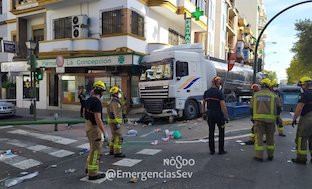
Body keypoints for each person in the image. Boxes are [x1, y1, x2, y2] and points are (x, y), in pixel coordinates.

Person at [251, 78, 280, 162]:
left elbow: (251, 108)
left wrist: (252, 117)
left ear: (261, 85)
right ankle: (270, 155)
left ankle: (259, 156)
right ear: (269, 85)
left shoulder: (256, 95)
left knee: (259, 138)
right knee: (270, 138)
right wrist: (278, 118)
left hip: (258, 120)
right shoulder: (273, 95)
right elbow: (278, 108)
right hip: (271, 121)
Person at [84, 81, 107, 180]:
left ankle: (87, 168)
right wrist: (104, 132)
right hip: (94, 128)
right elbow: (98, 118)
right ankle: (93, 173)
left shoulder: (89, 100)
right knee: (96, 151)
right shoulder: (97, 102)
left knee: (92, 149)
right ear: (101, 92)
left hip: (88, 126)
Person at [202, 76, 229, 155]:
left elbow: (203, 103)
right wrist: (226, 116)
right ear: (218, 84)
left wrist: (203, 113)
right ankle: (221, 150)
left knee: (211, 132)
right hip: (219, 115)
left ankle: (212, 150)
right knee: (221, 132)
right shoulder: (219, 92)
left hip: (210, 114)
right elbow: (223, 106)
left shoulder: (207, 92)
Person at [291, 76, 312, 164]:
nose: (301, 87)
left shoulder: (305, 94)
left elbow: (299, 108)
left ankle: (301, 158)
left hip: (307, 118)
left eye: (302, 85)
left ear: (306, 85)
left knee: (301, 138)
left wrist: (294, 119)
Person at [107, 86, 125, 158]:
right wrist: (116, 123)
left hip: (114, 122)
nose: (119, 94)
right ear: (115, 94)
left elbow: (121, 107)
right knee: (119, 137)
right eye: (118, 92)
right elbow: (112, 113)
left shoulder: (116, 101)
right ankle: (117, 152)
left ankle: (111, 150)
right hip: (115, 123)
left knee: (114, 137)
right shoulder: (113, 102)